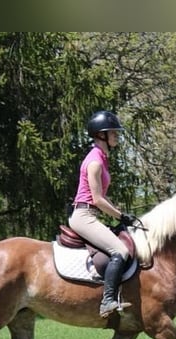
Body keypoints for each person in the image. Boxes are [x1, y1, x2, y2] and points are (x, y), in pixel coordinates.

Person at [69, 110, 136, 318]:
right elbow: (97, 199)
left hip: (90, 214)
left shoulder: (101, 158)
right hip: (84, 216)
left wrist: (121, 213)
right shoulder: (95, 162)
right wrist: (119, 215)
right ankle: (107, 301)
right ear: (101, 135)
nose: (117, 136)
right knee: (121, 251)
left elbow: (102, 199)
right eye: (113, 132)